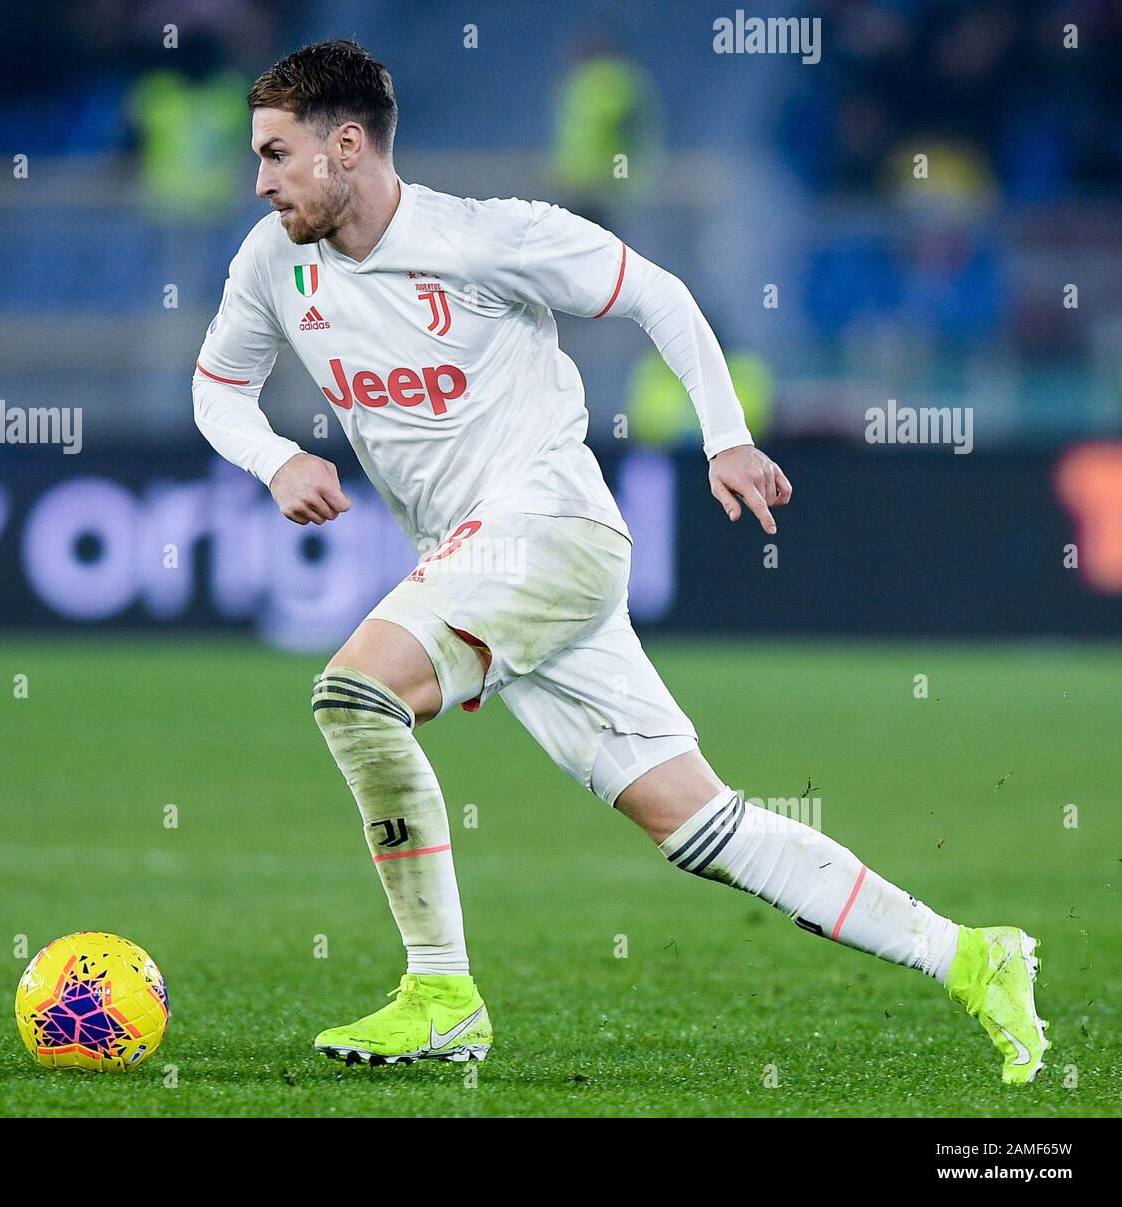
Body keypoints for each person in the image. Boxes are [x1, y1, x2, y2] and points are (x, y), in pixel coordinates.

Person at [192, 39, 1047, 1082]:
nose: (261, 178)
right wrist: (275, 457)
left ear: (349, 145)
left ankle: (440, 991)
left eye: (277, 154)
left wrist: (727, 435)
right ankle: (974, 956)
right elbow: (219, 388)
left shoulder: (486, 237)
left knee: (355, 695)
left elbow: (660, 295)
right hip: (496, 564)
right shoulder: (271, 261)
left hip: (545, 528)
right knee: (698, 824)